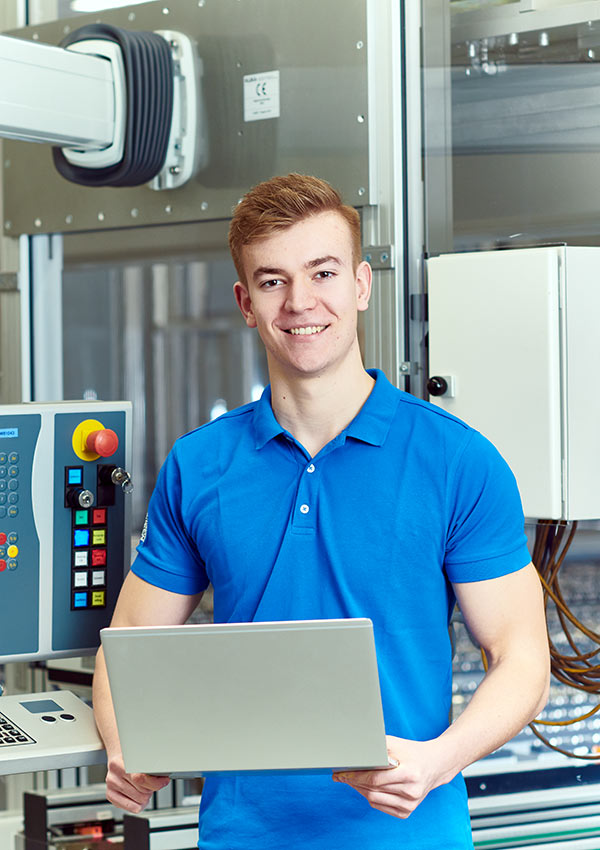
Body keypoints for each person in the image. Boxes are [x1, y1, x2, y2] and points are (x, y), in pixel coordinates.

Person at [93, 173, 550, 849]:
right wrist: (122, 745)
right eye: (272, 281)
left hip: (407, 835)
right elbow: (128, 640)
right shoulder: (200, 465)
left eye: (323, 273)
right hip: (240, 836)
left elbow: (522, 659)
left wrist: (438, 760)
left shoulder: (457, 460)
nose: (300, 302)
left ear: (361, 285)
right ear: (246, 303)